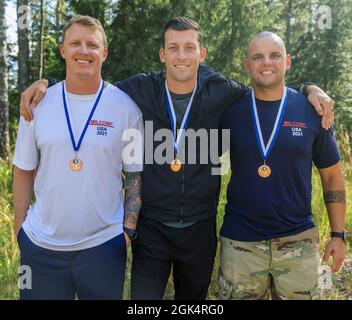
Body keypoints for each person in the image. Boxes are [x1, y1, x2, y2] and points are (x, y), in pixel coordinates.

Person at [19, 17, 334, 300]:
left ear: (202, 53)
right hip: (152, 229)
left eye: (189, 48)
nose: (181, 56)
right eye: (173, 48)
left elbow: (267, 87)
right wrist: (44, 85)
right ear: (162, 54)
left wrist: (308, 89)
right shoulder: (139, 90)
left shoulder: (221, 90)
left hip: (199, 228)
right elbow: (93, 88)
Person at [13, 15, 144, 300]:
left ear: (104, 53)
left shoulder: (127, 109)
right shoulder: (36, 104)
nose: (83, 51)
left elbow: (134, 174)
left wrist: (127, 231)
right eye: (75, 43)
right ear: (62, 50)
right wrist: (20, 229)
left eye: (92, 45)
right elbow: (23, 168)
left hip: (103, 247)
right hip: (40, 247)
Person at [218, 32, 346, 300]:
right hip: (241, 243)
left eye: (275, 55)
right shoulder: (230, 111)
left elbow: (332, 176)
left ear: (287, 61)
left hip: (298, 242)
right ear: (247, 65)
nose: (267, 63)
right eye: (258, 57)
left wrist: (337, 234)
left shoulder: (313, 110)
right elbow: (205, 166)